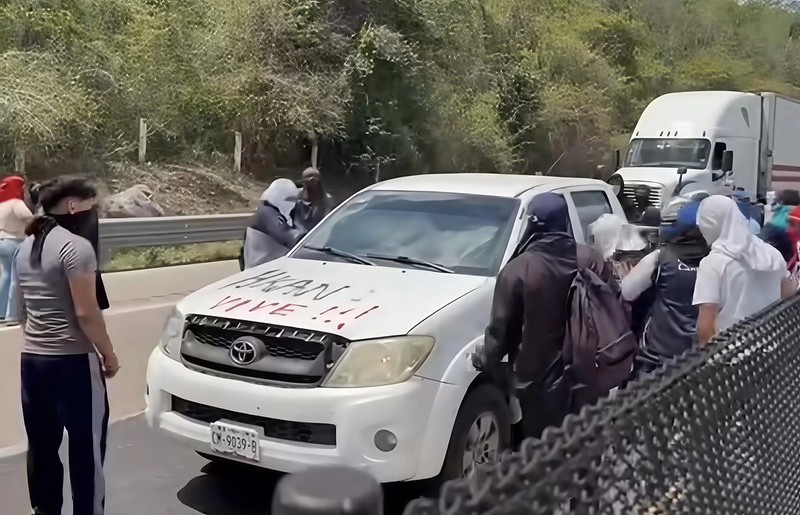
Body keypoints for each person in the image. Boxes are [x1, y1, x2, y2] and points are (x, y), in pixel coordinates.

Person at [15, 176, 118, 515]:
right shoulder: (77, 247)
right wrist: (109, 353)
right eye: (92, 207)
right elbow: (87, 313)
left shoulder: (23, 248)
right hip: (73, 364)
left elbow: (21, 314)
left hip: (32, 363)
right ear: (73, 206)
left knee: (43, 448)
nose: (93, 215)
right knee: (86, 452)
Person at [472, 192, 609, 439]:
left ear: (533, 223)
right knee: (586, 443)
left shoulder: (518, 269)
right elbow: (611, 308)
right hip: (589, 373)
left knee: (543, 448)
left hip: (537, 382)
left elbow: (501, 331)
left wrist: (485, 359)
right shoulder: (591, 259)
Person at [621, 200, 709, 376]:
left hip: (660, 354)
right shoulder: (720, 261)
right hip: (705, 353)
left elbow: (627, 292)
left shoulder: (660, 258)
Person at [694, 195, 795, 348]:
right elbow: (789, 297)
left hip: (732, 356)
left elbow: (705, 327)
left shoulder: (713, 263)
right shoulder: (772, 255)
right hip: (771, 351)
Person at [243, 178, 305, 269]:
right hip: (263, 272)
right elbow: (292, 238)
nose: (294, 205)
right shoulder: (267, 214)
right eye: (292, 200)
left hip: (261, 269)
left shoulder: (264, 211)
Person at [0, 176, 33, 320]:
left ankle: (1, 311)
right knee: (16, 279)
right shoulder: (16, 203)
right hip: (15, 241)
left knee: (5, 276)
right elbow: (29, 217)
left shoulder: (2, 204)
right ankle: (12, 315)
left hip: (2, 240)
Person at [294, 167, 332, 232]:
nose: (312, 178)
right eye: (308, 176)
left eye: (315, 176)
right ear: (303, 181)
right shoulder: (297, 196)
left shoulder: (328, 199)